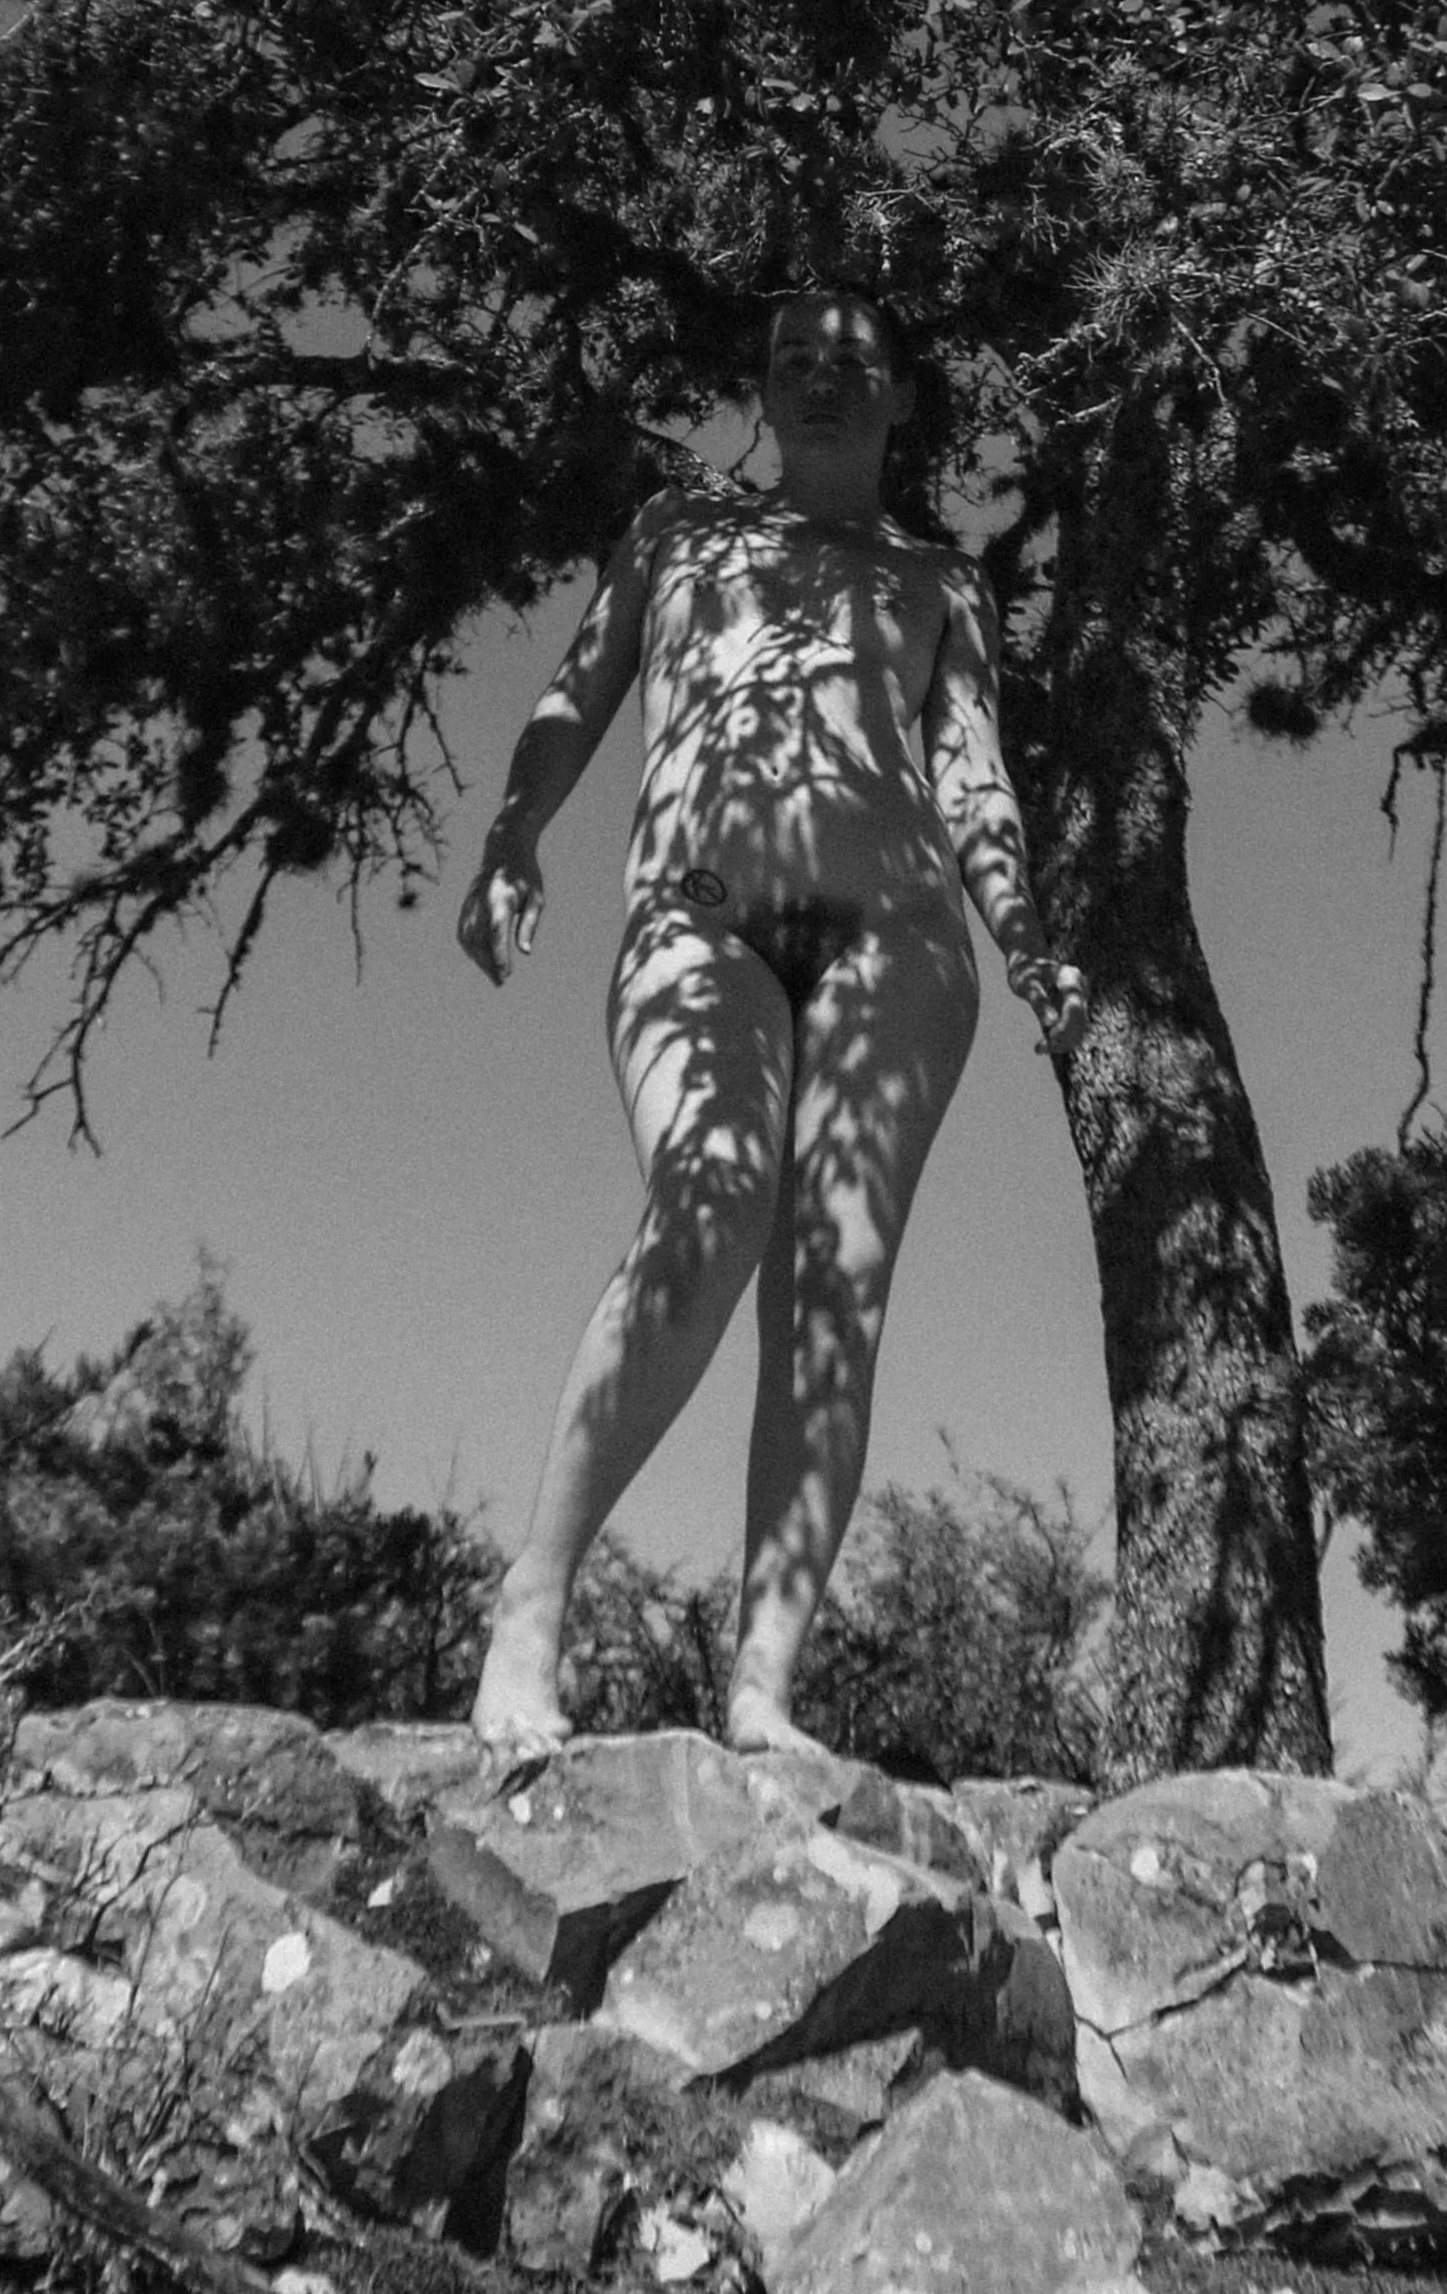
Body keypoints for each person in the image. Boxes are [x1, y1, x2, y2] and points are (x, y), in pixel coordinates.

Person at [458, 287, 1086, 1754]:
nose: (823, 379)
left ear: (900, 397)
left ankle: (762, 1691)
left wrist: (1028, 933)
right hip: (702, 919)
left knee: (833, 1299)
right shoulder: (681, 533)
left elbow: (974, 773)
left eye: (856, 361)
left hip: (901, 945)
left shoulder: (937, 580)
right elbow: (574, 694)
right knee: (711, 1206)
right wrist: (513, 833)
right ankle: (532, 1605)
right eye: (794, 360)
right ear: (759, 386)